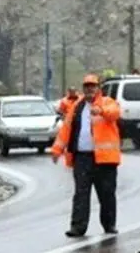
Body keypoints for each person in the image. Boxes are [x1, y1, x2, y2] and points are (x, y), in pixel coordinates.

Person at [51, 73, 123, 237]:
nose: (90, 89)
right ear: (83, 88)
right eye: (87, 87)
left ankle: (109, 225)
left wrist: (102, 111)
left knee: (106, 193)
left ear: (98, 88)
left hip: (105, 159)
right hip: (82, 158)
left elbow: (114, 113)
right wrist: (57, 150)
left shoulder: (107, 102)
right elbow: (66, 130)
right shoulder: (77, 107)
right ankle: (78, 227)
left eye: (93, 86)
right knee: (81, 194)